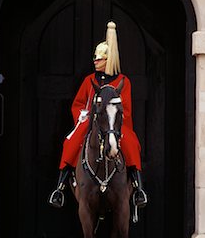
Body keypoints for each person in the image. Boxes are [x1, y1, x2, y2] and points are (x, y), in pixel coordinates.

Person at [48, 21, 147, 209]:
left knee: (131, 143)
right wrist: (83, 115)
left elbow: (125, 108)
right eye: (95, 58)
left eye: (99, 59)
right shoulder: (89, 80)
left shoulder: (123, 81)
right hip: (92, 121)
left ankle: (137, 187)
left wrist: (115, 121)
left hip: (116, 123)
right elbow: (78, 103)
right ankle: (60, 187)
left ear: (108, 60)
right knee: (71, 141)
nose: (95, 61)